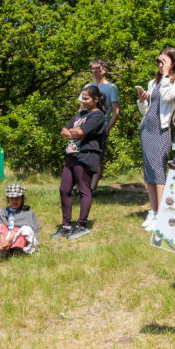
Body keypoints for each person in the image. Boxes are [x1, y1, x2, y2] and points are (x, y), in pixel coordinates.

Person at [137, 47, 175, 232]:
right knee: (149, 171)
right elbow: (145, 110)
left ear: (173, 62)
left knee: (159, 169)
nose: (160, 65)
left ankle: (163, 213)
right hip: (147, 129)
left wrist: (166, 76)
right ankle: (153, 211)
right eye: (158, 62)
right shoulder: (153, 83)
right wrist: (142, 100)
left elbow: (167, 97)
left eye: (164, 62)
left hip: (163, 130)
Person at [51, 84, 106, 240]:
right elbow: (64, 130)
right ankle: (66, 226)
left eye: (86, 98)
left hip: (86, 155)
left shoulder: (98, 116)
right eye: (83, 98)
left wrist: (76, 133)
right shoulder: (80, 115)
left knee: (84, 190)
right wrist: (75, 134)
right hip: (72, 155)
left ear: (96, 99)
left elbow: (81, 132)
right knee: (64, 189)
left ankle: (82, 225)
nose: (83, 101)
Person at [79, 59, 120, 193]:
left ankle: (92, 188)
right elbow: (81, 108)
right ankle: (78, 187)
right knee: (81, 155)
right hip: (86, 126)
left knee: (97, 158)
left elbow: (116, 111)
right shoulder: (87, 87)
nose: (94, 71)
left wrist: (108, 128)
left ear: (104, 70)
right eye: (92, 68)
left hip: (101, 127)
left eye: (97, 68)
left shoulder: (111, 87)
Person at [0, 183, 41, 256]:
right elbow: (3, 228)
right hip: (6, 234)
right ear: (8, 199)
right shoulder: (4, 211)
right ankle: (4, 248)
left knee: (25, 230)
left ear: (22, 199)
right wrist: (2, 241)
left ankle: (17, 249)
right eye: (12, 198)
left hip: (19, 235)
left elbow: (18, 229)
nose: (14, 201)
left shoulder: (26, 212)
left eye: (17, 198)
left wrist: (9, 240)